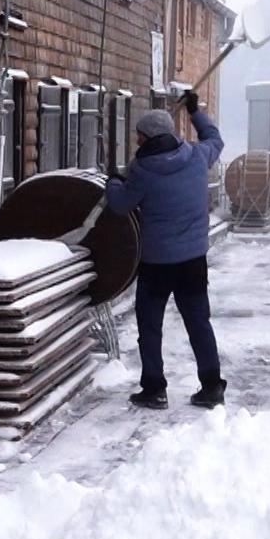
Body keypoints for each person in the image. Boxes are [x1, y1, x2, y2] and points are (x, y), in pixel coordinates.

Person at [105, 91, 227, 410]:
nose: (137, 141)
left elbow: (120, 204)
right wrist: (194, 111)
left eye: (139, 136)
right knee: (199, 323)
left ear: (148, 138)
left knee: (150, 327)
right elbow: (215, 138)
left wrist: (113, 181)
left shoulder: (141, 170)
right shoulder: (198, 156)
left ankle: (154, 389)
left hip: (156, 264)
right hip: (193, 262)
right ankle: (212, 387)